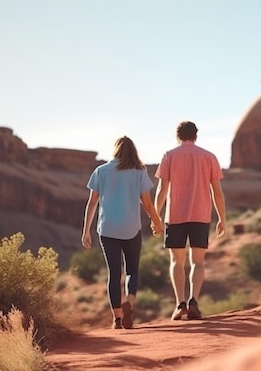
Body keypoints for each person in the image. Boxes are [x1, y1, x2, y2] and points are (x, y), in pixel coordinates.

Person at [81, 136, 164, 329]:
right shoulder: (139, 171)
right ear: (133, 151)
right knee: (132, 271)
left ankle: (117, 318)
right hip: (131, 228)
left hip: (107, 229)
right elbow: (148, 203)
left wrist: (86, 231)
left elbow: (92, 203)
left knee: (114, 273)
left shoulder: (101, 171)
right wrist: (157, 222)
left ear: (115, 150)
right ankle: (130, 302)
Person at [154, 121, 227, 320]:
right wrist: (222, 218)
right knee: (198, 261)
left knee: (177, 262)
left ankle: (180, 304)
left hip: (175, 216)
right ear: (196, 136)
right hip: (201, 215)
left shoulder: (169, 155)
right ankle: (194, 300)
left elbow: (162, 189)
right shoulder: (209, 157)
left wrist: (155, 216)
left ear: (177, 136)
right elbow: (217, 193)